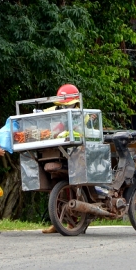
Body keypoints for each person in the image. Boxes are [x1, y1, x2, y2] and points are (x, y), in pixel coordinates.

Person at [42, 84, 98, 234]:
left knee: (76, 187)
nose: (65, 107)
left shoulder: (82, 114)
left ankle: (75, 223)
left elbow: (84, 132)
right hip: (58, 152)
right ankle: (58, 221)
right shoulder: (53, 111)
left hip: (76, 154)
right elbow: (42, 119)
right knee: (54, 186)